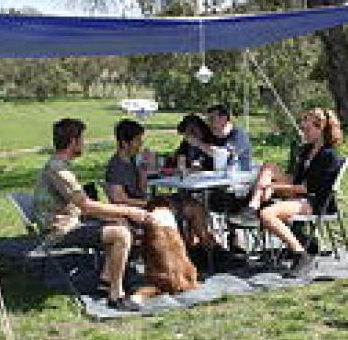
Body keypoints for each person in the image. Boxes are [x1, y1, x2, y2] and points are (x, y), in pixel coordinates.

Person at [34, 118, 150, 311]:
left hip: (70, 221)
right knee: (121, 234)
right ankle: (116, 295)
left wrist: (118, 214)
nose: (84, 143)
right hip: (59, 230)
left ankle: (105, 281)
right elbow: (86, 206)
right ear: (73, 142)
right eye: (82, 139)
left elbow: (82, 205)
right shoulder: (59, 169)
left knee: (119, 222)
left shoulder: (61, 165)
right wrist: (130, 210)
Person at [240, 108, 344, 278]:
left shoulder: (329, 156)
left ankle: (301, 254)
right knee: (268, 167)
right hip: (301, 193)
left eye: (307, 129)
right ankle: (253, 205)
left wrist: (274, 188)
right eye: (303, 128)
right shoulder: (306, 150)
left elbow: (307, 188)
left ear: (321, 129)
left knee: (267, 214)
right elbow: (296, 179)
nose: (303, 131)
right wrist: (269, 183)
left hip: (315, 201)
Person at [105, 118, 217, 248]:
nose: (140, 144)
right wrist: (151, 203)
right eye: (137, 140)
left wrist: (143, 172)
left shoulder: (131, 160)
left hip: (143, 205)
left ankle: (199, 247)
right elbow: (118, 199)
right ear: (124, 143)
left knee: (192, 203)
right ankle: (209, 249)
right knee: (194, 208)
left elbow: (140, 191)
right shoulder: (117, 166)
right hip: (136, 212)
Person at [184, 103, 252, 171]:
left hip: (239, 178)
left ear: (224, 119)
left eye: (212, 118)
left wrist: (198, 143)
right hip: (211, 178)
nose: (208, 122)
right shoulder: (209, 136)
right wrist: (195, 164)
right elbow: (197, 158)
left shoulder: (239, 135)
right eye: (208, 119)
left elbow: (221, 154)